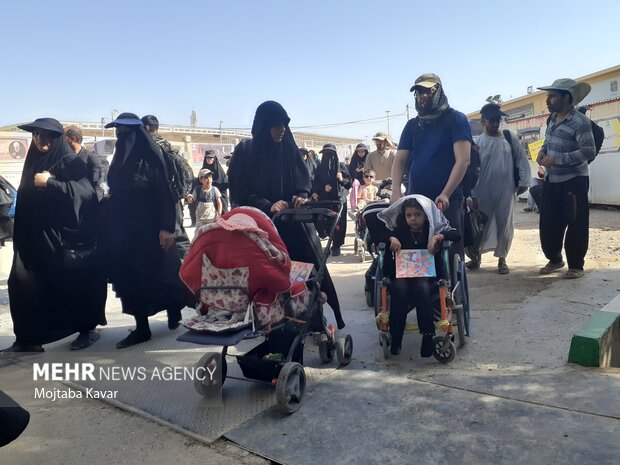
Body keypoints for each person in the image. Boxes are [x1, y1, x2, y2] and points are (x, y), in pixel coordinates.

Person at [228, 100, 345, 329]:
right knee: (272, 277)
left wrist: (301, 195)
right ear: (263, 126)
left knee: (308, 272)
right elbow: (240, 190)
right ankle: (274, 321)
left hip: (295, 225)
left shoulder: (289, 149)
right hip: (262, 228)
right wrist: (267, 204)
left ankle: (313, 319)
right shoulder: (246, 152)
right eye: (275, 125)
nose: (281, 129)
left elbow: (303, 182)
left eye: (284, 124)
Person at [4, 118, 106, 353]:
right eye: (37, 135)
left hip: (61, 240)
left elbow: (85, 194)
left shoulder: (70, 162)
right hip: (32, 240)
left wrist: (51, 183)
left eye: (47, 136)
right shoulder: (33, 161)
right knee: (23, 286)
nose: (41, 140)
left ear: (58, 139)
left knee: (71, 287)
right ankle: (28, 339)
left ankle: (86, 329)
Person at [102, 112, 190, 348]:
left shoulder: (151, 159)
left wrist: (166, 228)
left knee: (159, 276)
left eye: (126, 132)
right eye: (118, 132)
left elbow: (163, 194)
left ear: (137, 134)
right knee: (130, 278)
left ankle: (173, 309)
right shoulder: (119, 158)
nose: (121, 136)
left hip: (151, 232)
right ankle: (142, 327)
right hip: (125, 232)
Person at [391, 73, 472, 259]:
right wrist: (396, 190)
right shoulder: (412, 125)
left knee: (449, 253)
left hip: (446, 199)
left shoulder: (456, 119)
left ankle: (452, 289)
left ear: (439, 91)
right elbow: (400, 159)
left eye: (428, 91)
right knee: (416, 253)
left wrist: (446, 193)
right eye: (419, 92)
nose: (423, 96)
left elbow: (463, 160)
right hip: (416, 200)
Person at [380, 195, 460, 356]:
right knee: (399, 289)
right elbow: (378, 237)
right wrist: (391, 237)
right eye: (409, 215)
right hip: (402, 276)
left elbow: (456, 234)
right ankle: (396, 338)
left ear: (426, 215)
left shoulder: (432, 230)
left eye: (417, 215)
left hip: (426, 277)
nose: (413, 219)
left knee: (421, 287)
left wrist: (437, 237)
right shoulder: (401, 230)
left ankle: (428, 336)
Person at [536, 78, 595, 279]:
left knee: (576, 223)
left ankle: (576, 265)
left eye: (552, 96)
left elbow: (589, 150)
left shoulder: (580, 122)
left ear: (566, 98)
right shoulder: (552, 119)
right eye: (548, 95)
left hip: (574, 181)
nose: (547, 100)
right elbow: (548, 141)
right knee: (549, 223)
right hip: (553, 181)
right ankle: (555, 259)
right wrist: (542, 153)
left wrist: (557, 160)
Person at [467, 104, 531, 274]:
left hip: (506, 188)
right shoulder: (477, 143)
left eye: (498, 120)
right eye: (492, 121)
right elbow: (471, 169)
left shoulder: (510, 138)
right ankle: (476, 258)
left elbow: (521, 160)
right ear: (483, 122)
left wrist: (524, 181)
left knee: (504, 223)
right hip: (482, 190)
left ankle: (502, 260)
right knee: (480, 224)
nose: (495, 124)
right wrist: (470, 193)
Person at [142, 114, 192, 257]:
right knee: (178, 231)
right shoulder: (166, 143)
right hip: (175, 195)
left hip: (165, 196)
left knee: (174, 234)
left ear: (145, 127)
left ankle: (187, 267)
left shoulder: (151, 146)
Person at [312, 143, 352, 257]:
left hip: (339, 200)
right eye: (326, 153)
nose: (328, 156)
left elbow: (349, 183)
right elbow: (315, 183)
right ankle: (328, 240)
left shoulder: (341, 166)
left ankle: (336, 245)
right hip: (325, 200)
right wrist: (321, 189)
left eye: (330, 153)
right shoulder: (319, 168)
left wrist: (341, 179)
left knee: (339, 223)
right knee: (324, 221)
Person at [64, 125, 109, 201]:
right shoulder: (64, 158)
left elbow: (98, 186)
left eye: (63, 137)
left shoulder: (91, 158)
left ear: (73, 139)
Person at [186, 168, 222, 237]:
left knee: (213, 236)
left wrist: (219, 215)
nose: (209, 180)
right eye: (205, 178)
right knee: (199, 236)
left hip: (212, 219)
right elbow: (191, 201)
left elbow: (219, 202)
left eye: (210, 177)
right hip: (200, 219)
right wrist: (189, 198)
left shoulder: (215, 189)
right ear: (200, 180)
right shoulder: (197, 189)